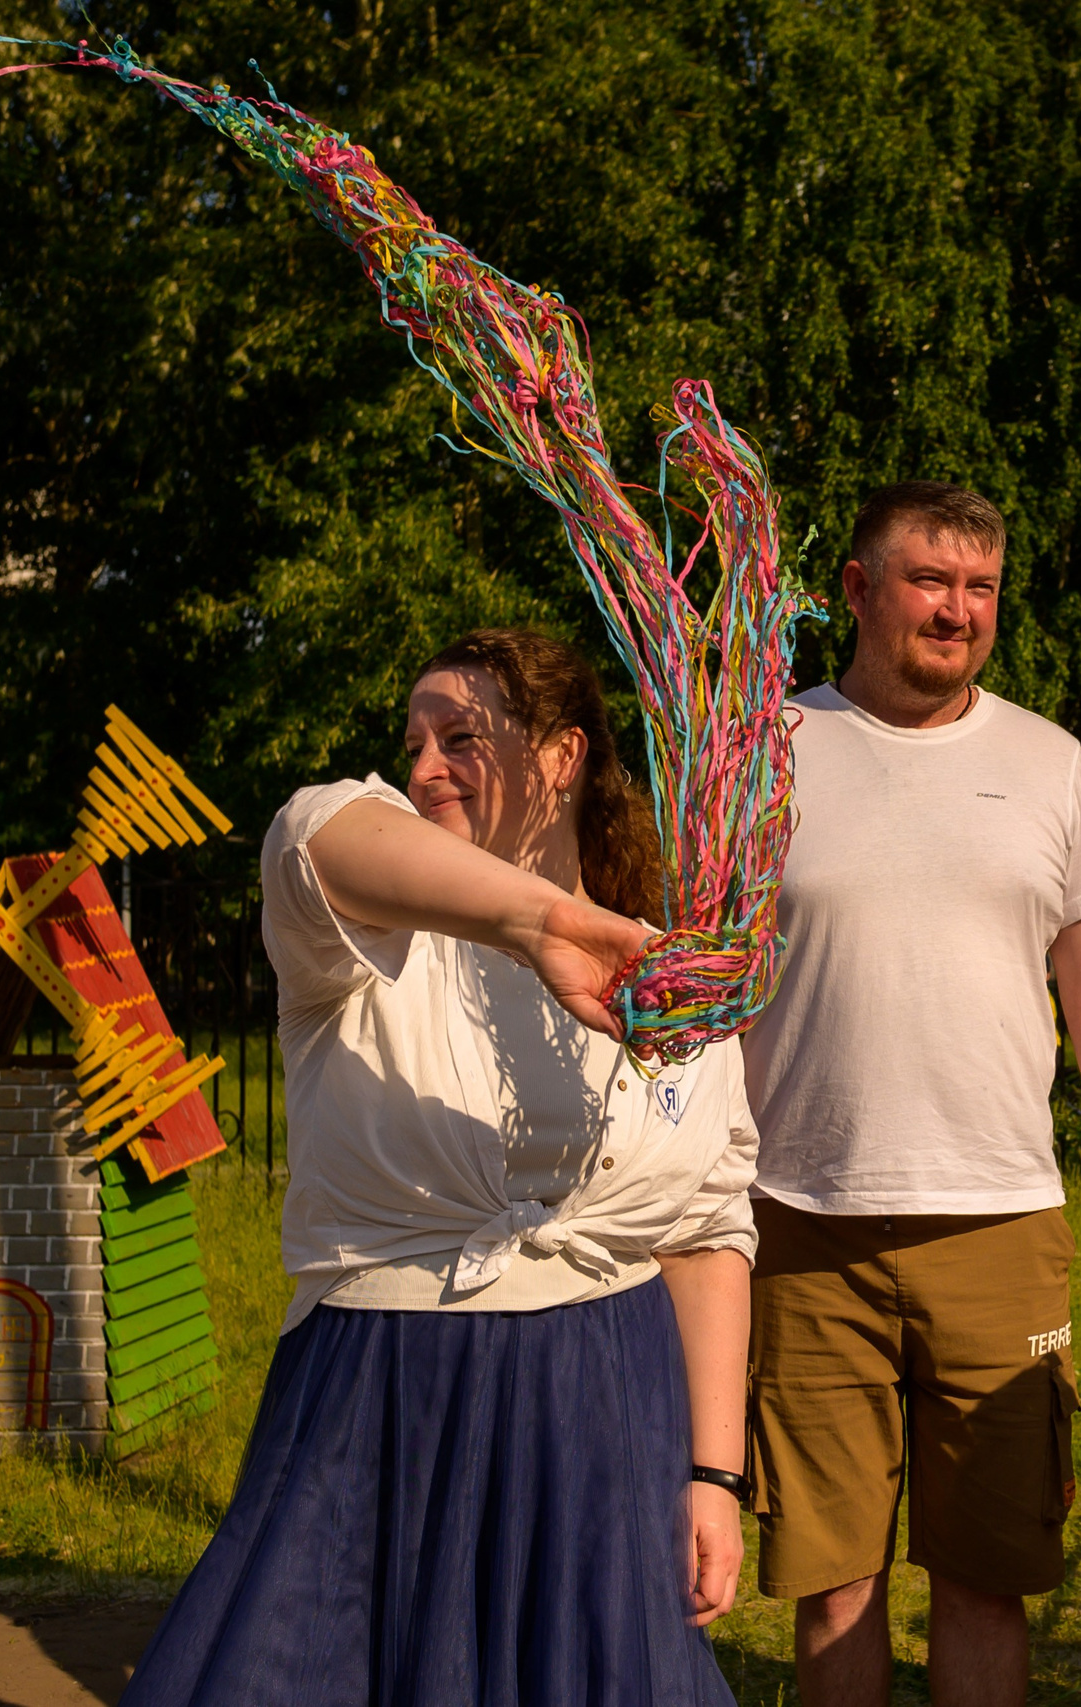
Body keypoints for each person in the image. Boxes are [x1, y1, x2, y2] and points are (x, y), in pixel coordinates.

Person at [125, 629, 755, 1707]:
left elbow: (705, 1232)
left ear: (562, 756)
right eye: (414, 741)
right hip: (387, 1393)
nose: (424, 768)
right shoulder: (360, 937)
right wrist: (544, 922)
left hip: (607, 1401)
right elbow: (318, 834)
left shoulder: (663, 974)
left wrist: (713, 1475)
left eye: (462, 738)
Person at [741, 481, 1081, 1707]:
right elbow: (703, 984)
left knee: (987, 1579)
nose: (956, 609)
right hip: (800, 1221)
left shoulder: (1048, 762)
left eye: (980, 587)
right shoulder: (765, 751)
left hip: (999, 1223)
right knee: (834, 1582)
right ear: (857, 590)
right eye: (929, 580)